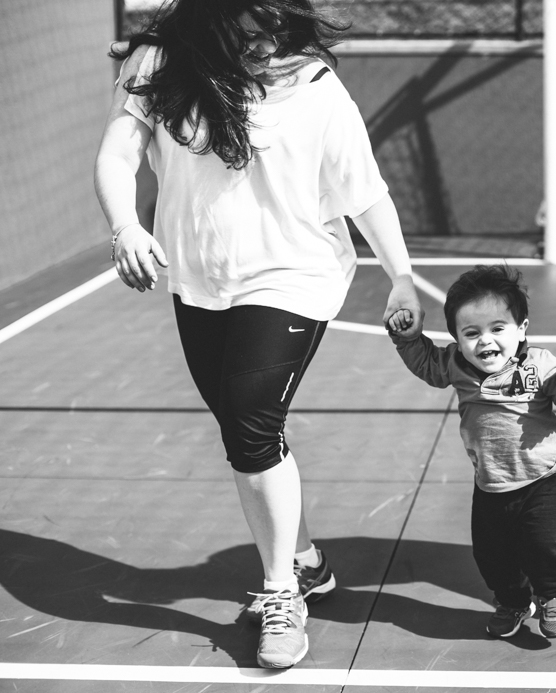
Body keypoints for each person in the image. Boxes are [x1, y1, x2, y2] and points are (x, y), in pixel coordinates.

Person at [93, 0, 423, 669]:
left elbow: (365, 192)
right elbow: (116, 153)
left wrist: (403, 276)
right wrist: (127, 225)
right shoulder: (162, 62)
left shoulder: (317, 87)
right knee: (248, 431)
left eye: (279, 29)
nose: (268, 44)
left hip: (295, 274)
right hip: (200, 279)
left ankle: (281, 594)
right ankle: (305, 562)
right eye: (252, 31)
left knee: (249, 420)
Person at [387, 265, 556, 639]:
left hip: (540, 479)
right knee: (491, 555)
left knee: (548, 545)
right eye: (471, 333)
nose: (485, 341)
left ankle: (552, 597)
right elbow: (426, 363)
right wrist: (408, 338)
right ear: (458, 339)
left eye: (498, 329)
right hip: (491, 483)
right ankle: (513, 601)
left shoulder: (540, 364)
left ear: (521, 329)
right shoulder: (456, 366)